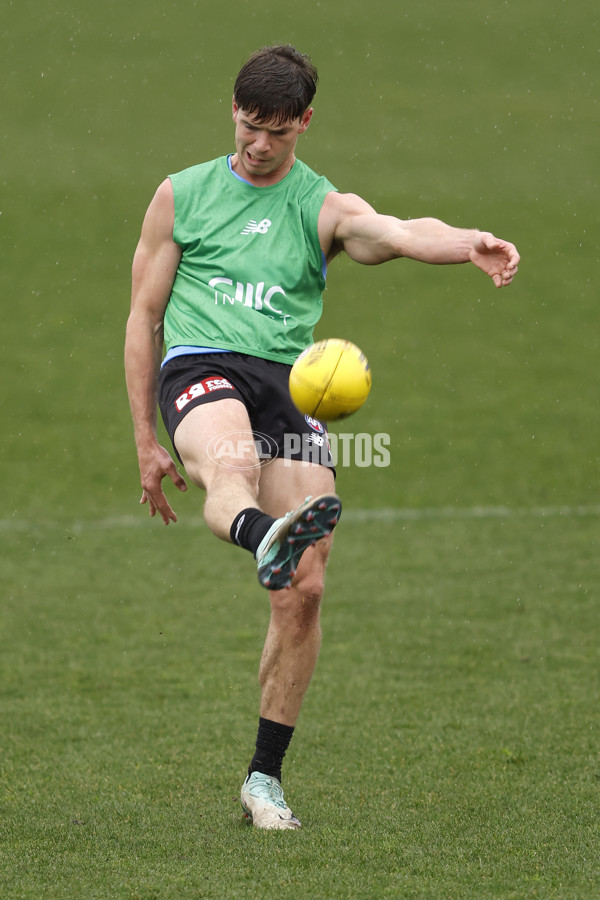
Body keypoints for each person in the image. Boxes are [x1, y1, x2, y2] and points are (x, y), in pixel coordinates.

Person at [124, 44, 519, 830]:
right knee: (229, 466)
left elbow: (400, 230)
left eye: (276, 130)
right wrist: (145, 436)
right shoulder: (183, 195)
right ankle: (257, 531)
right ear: (231, 110)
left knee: (305, 585)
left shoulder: (323, 207)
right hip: (200, 365)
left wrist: (467, 239)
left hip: (289, 381)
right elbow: (143, 317)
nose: (259, 144)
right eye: (247, 126)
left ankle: (263, 781)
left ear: (304, 121)